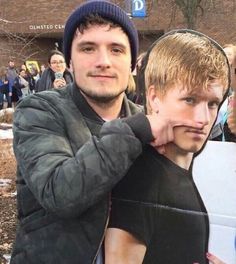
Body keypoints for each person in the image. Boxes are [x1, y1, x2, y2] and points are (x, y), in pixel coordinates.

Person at [11, 2, 201, 263]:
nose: (103, 61)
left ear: (132, 64)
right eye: (88, 48)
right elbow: (60, 193)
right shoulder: (39, 111)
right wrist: (136, 131)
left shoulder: (146, 121)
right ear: (69, 62)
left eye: (116, 49)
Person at [105, 30, 230, 264]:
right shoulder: (140, 177)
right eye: (190, 100)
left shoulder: (196, 172)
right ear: (154, 98)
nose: (203, 118)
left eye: (213, 103)